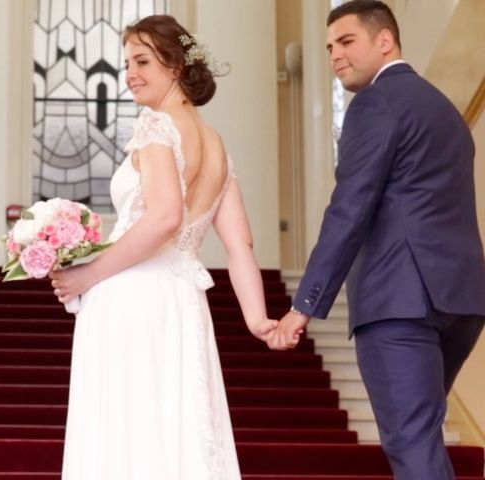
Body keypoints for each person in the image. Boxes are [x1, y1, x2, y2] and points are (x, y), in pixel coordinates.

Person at [49, 14, 280, 479]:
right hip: (179, 300)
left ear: (175, 65)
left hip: (132, 296)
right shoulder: (216, 145)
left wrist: (88, 274)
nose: (130, 73)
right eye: (127, 61)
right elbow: (241, 246)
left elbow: (164, 217)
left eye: (142, 61)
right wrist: (258, 321)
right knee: (177, 427)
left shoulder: (156, 126)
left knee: (128, 432)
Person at [267, 1, 485, 479]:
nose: (334, 56)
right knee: (421, 438)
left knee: (412, 445)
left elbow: (350, 209)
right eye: (328, 47)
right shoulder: (443, 109)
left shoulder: (375, 103)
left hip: (399, 301)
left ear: (384, 40)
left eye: (346, 42)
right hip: (462, 302)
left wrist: (303, 306)